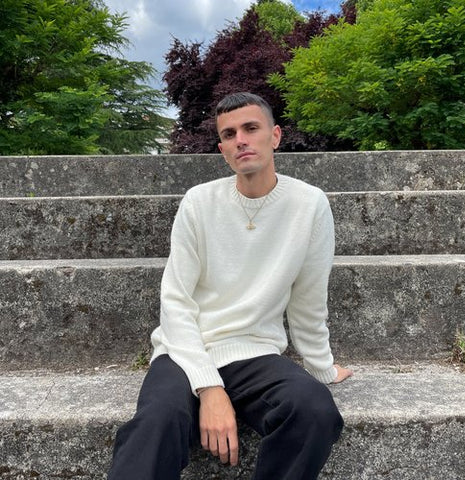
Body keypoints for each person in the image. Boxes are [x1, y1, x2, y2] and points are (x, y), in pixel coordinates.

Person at [107, 92, 353, 480]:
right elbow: (176, 300)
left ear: (274, 136)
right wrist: (209, 387)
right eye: (229, 133)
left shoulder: (310, 205)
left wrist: (322, 369)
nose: (241, 139)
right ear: (222, 149)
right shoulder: (199, 202)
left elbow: (308, 301)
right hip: (185, 352)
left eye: (251, 128)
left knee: (314, 410)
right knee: (157, 422)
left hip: (255, 353)